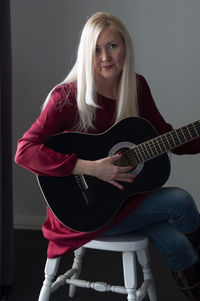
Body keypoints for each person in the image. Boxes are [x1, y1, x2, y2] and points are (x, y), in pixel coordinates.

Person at [15, 12, 200, 299]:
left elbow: (166, 136)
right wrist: (90, 167)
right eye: (96, 49)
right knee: (180, 200)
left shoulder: (136, 86)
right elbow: (25, 151)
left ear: (125, 47)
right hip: (82, 214)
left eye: (113, 46)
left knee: (179, 245)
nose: (105, 57)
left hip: (121, 201)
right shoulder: (65, 97)